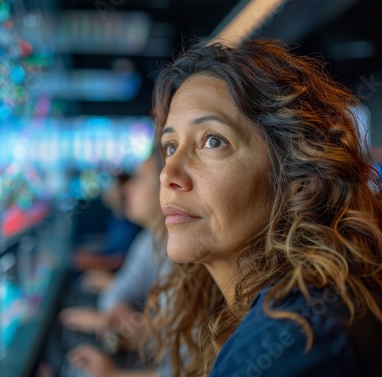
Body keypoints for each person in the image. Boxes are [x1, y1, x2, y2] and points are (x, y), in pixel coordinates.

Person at [145, 38, 382, 377]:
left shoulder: (296, 336)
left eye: (213, 141)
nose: (169, 173)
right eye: (170, 146)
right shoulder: (295, 312)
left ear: (297, 178)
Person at [64, 152, 171, 377]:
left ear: (168, 187)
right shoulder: (149, 240)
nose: (126, 188)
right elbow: (118, 295)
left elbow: (187, 368)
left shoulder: (185, 257)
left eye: (140, 178)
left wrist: (112, 374)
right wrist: (118, 317)